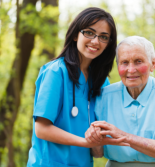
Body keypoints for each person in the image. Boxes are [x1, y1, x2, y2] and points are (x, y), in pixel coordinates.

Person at [27, 7, 129, 167]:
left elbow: (122, 112)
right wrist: (84, 142)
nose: (96, 41)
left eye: (104, 37)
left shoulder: (101, 82)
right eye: (89, 32)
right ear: (75, 34)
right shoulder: (56, 71)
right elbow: (42, 129)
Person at [85, 36, 155, 167]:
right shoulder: (104, 96)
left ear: (153, 64)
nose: (131, 70)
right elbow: (98, 153)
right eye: (124, 62)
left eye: (138, 61)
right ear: (118, 65)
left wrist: (123, 136)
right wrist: (94, 139)